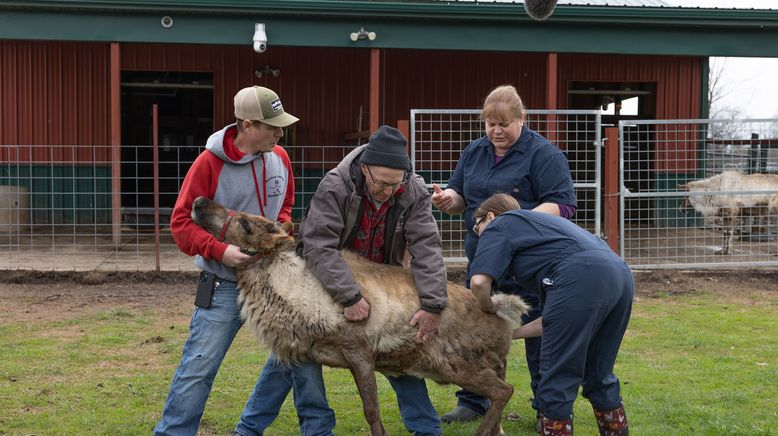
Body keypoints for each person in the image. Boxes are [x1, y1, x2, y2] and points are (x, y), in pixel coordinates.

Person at [234, 125, 448, 436]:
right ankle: (252, 428)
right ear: (364, 169)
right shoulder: (335, 184)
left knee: (400, 350)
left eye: (395, 186)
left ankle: (427, 430)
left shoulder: (412, 190)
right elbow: (318, 244)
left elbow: (427, 247)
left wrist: (432, 304)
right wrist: (349, 295)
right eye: (382, 184)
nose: (388, 191)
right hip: (326, 277)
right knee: (297, 348)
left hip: (379, 279)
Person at [153, 85, 308, 435]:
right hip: (223, 283)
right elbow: (180, 224)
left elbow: (285, 202)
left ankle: (249, 428)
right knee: (199, 366)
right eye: (273, 126)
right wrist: (221, 251)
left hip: (274, 283)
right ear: (248, 125)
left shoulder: (280, 158)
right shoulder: (208, 163)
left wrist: (282, 222)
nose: (280, 133)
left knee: (291, 355)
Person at [431, 84, 577, 427]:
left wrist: (516, 223)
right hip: (483, 259)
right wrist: (448, 199)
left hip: (530, 264)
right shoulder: (475, 152)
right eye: (489, 124)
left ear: (521, 119)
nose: (496, 131)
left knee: (542, 337)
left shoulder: (544, 155)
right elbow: (461, 195)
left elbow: (564, 204)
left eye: (503, 124)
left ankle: (547, 407)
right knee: (477, 332)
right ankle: (473, 400)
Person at [470, 193, 631, 436]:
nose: (477, 233)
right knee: (599, 373)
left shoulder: (500, 224)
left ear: (490, 216)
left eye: (477, 226)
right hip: (620, 275)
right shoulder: (546, 232)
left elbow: (479, 284)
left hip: (579, 276)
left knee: (557, 377)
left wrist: (487, 308)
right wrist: (507, 333)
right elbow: (554, 322)